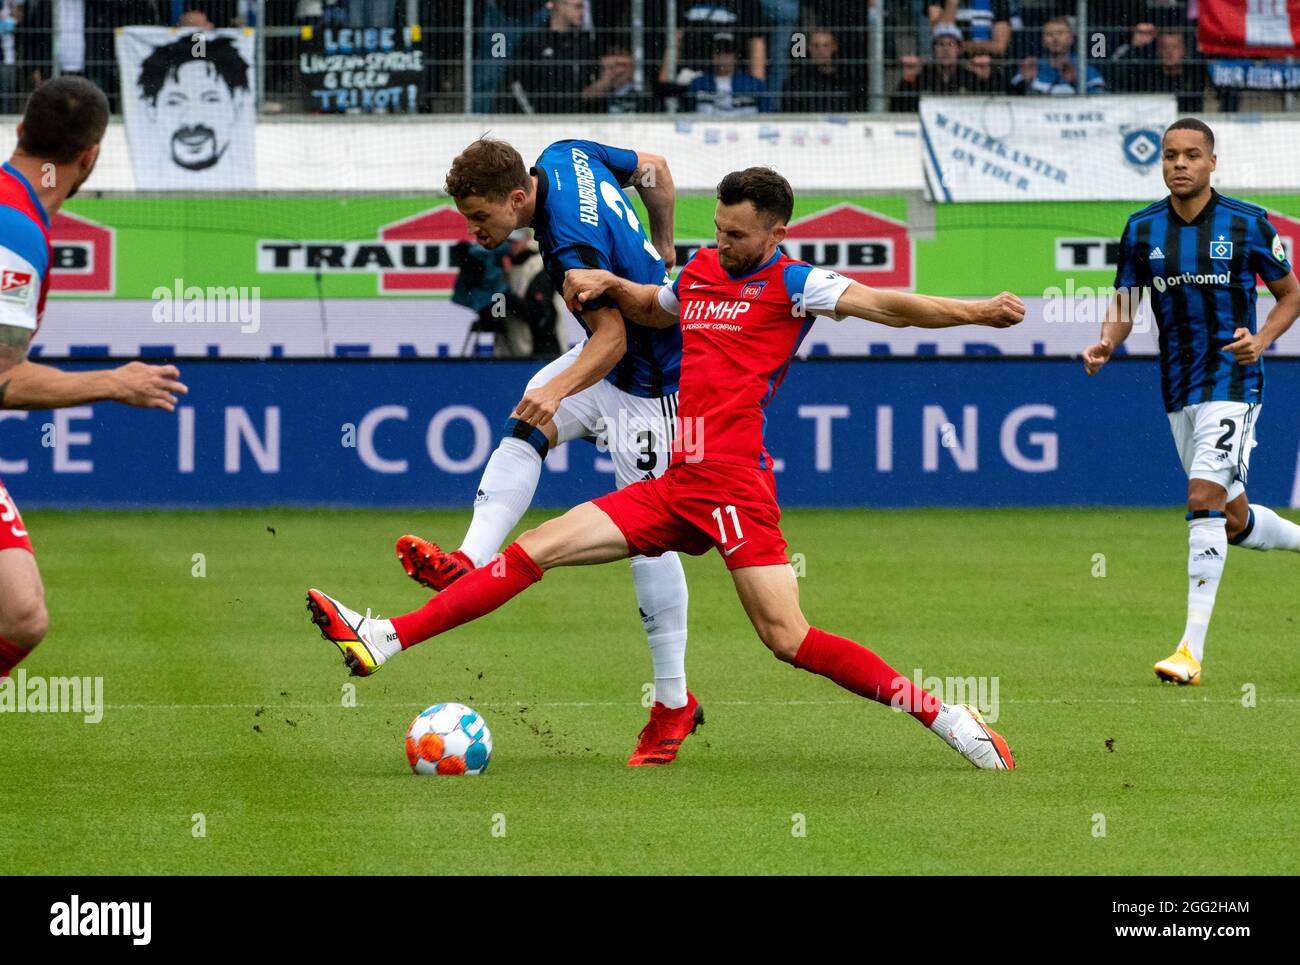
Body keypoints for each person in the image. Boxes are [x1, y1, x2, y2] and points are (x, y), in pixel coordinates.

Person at [306, 167, 1024, 770]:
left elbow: (891, 308)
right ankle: (384, 636)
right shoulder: (705, 270)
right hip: (678, 482)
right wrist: (611, 285)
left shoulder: (796, 282)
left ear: (776, 234)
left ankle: (947, 717)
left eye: (737, 233)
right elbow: (658, 306)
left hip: (737, 487)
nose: (721, 241)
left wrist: (978, 311)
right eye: (717, 226)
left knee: (789, 640)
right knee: (538, 548)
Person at [327, 136, 698, 766]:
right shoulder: (565, 153)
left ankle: (672, 704)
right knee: (529, 410)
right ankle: (470, 559)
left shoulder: (568, 243)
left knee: (649, 536)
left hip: (650, 384)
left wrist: (559, 388)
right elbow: (656, 170)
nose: (474, 231)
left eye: (480, 217)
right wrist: (664, 248)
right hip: (617, 368)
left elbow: (610, 340)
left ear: (518, 197)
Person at [1083, 118, 1300, 686]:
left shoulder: (1247, 223)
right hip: (1178, 388)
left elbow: (1290, 294)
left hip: (1234, 381)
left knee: (1202, 498)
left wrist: (1265, 339)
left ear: (1211, 162)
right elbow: (1125, 301)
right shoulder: (1142, 229)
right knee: (1231, 519)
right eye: (1170, 155)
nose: (1180, 164)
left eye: (1191, 155)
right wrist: (1108, 340)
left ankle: (1189, 651)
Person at [0, 76, 188, 679]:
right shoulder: (14, 231)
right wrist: (112, 383)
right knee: (19, 615)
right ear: (91, 156)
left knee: (19, 613)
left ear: (21, 130)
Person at [892, 22, 1005, 111]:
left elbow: (997, 106)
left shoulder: (969, 76)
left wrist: (987, 78)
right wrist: (908, 80)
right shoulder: (922, 77)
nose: (945, 49)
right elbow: (897, 108)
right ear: (934, 49)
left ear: (959, 49)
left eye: (951, 44)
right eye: (941, 44)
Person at [1011, 16, 1104, 95]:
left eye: (1060, 33)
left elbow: (1100, 99)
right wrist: (1025, 82)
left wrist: (1075, 82)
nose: (1055, 38)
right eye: (1049, 34)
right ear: (1043, 40)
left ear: (1071, 38)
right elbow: (1012, 95)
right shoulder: (1033, 66)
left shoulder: (1084, 68)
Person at [783, 28, 866, 113]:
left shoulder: (846, 80)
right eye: (816, 46)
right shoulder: (797, 82)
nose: (821, 51)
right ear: (809, 48)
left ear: (834, 47)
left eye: (826, 45)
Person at [686, 32, 767, 114]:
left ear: (735, 57)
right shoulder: (698, 84)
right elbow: (688, 114)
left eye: (728, 52)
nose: (723, 57)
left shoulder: (754, 84)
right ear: (711, 56)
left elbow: (767, 114)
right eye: (718, 52)